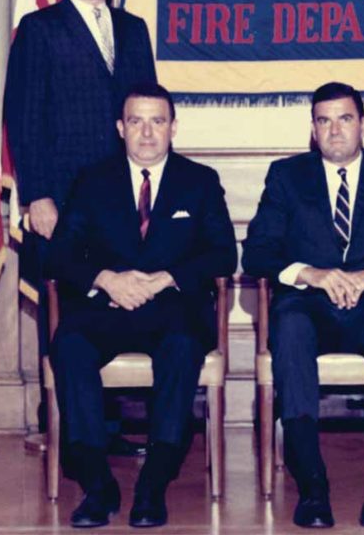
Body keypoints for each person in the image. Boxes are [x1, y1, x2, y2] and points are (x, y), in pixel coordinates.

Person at [242, 82, 364, 529]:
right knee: (289, 324)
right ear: (313, 130)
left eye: (345, 119)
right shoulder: (286, 176)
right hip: (310, 308)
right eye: (324, 121)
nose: (334, 131)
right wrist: (311, 273)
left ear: (363, 125)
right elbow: (256, 252)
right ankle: (312, 487)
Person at [48, 82, 237, 528]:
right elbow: (58, 253)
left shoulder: (200, 181)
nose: (147, 133)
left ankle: (154, 482)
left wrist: (166, 279)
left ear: (173, 127)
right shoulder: (92, 182)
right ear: (120, 128)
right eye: (136, 122)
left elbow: (223, 254)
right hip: (107, 309)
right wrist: (107, 280)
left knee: (182, 347)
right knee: (69, 345)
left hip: (172, 309)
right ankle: (97, 484)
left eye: (157, 122)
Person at [4, 0, 157, 456]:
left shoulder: (133, 29)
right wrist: (37, 194)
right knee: (69, 312)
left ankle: (111, 427)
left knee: (117, 305)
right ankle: (69, 435)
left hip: (121, 199)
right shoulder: (40, 28)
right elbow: (22, 118)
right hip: (63, 200)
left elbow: (148, 113)